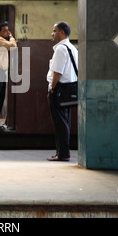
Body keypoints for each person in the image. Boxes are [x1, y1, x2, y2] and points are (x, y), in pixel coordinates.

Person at [46, 21, 78, 161]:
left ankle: (63, 154)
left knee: (60, 124)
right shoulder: (72, 48)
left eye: (54, 31)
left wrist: (52, 88)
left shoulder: (61, 49)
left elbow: (57, 72)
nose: (52, 34)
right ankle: (62, 153)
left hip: (59, 89)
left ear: (62, 32)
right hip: (70, 89)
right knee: (65, 122)